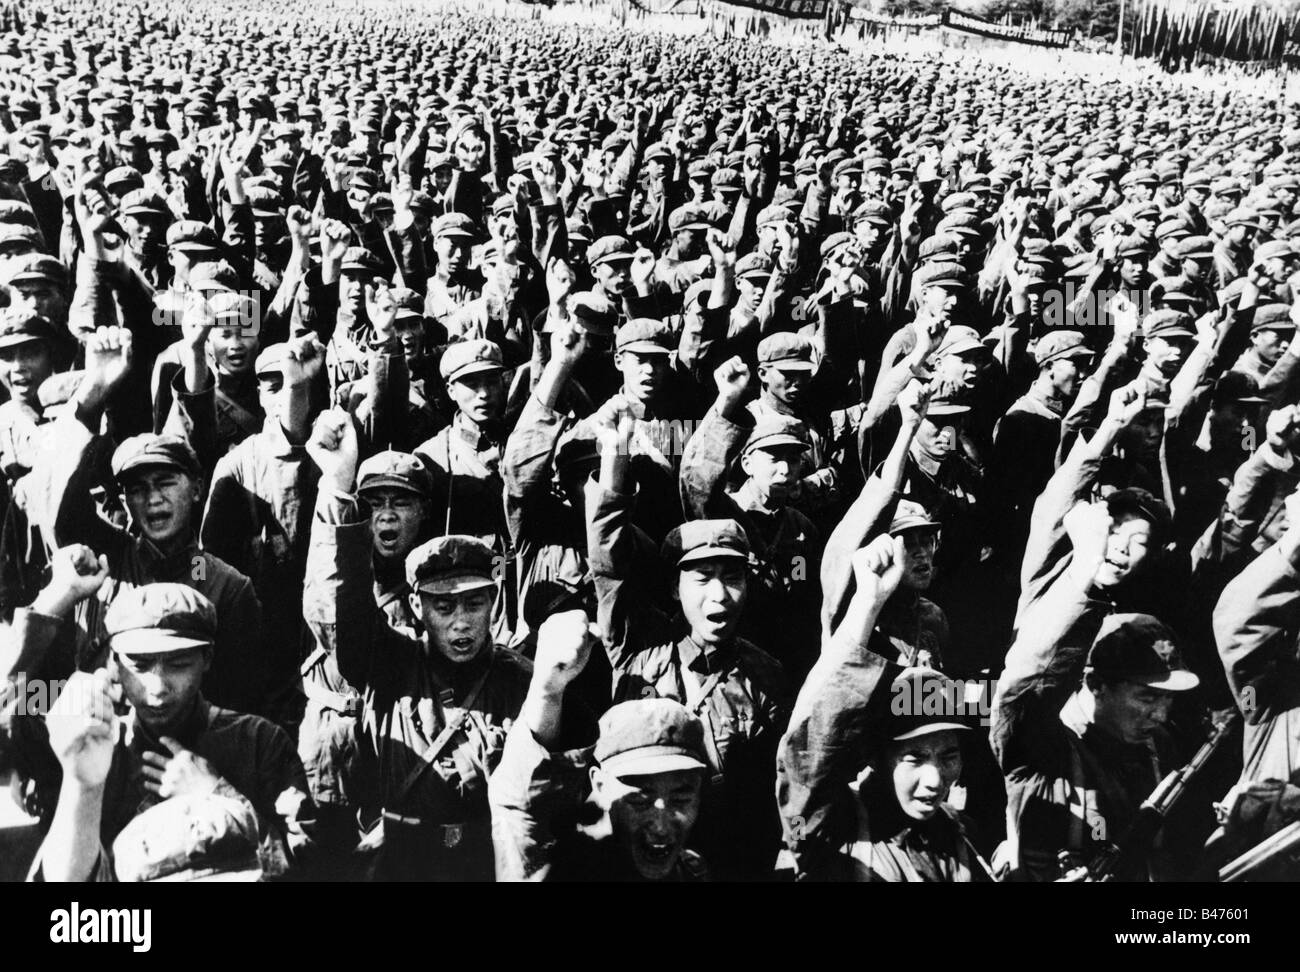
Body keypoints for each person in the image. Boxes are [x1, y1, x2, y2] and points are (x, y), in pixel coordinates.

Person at [302, 407, 532, 881]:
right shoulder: (390, 662)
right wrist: (338, 491)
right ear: (418, 607)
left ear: (495, 602)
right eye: (444, 608)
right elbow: (343, 611)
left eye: (473, 605)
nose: (461, 623)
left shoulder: (522, 679)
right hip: (401, 863)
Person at [12, 559, 311, 882]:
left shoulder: (259, 742)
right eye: (139, 665)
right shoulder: (96, 744)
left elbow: (311, 865)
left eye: (178, 664)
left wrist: (219, 795)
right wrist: (58, 597)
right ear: (113, 663)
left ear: (207, 659)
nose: (158, 687)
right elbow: (13, 708)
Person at [777, 534, 992, 881]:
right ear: (878, 757)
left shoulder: (961, 834)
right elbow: (809, 746)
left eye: (949, 756)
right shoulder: (832, 828)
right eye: (914, 757)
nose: (935, 780)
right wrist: (867, 602)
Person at [490, 610, 708, 882]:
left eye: (681, 798)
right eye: (639, 797)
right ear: (600, 785)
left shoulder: (690, 872)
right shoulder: (567, 870)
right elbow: (524, 808)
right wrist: (547, 691)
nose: (661, 826)